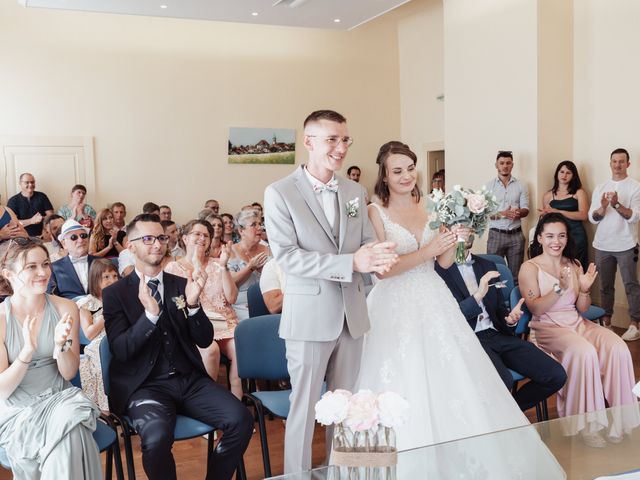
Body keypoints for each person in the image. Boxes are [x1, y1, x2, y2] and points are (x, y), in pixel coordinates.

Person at [356, 140, 528, 452]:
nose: (407, 176)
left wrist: (455, 239)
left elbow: (444, 262)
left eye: (410, 169)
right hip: (393, 304)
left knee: (451, 377)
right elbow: (383, 271)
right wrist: (429, 251)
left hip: (433, 297)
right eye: (398, 171)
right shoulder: (374, 212)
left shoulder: (431, 205)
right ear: (384, 175)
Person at [264, 110, 398, 474]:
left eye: (345, 140)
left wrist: (379, 258)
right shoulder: (280, 192)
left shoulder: (355, 191)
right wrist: (351, 263)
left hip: (352, 315)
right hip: (309, 318)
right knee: (304, 410)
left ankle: (341, 473)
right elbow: (288, 257)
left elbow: (366, 243)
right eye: (332, 140)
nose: (341, 148)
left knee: (349, 409)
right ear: (309, 142)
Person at [103, 214, 252, 480]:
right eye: (147, 239)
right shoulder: (116, 294)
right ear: (130, 246)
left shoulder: (181, 285)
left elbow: (205, 339)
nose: (157, 245)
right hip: (145, 386)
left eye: (161, 238)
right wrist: (148, 317)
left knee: (241, 420)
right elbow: (121, 350)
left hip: (189, 379)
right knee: (157, 439)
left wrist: (194, 305)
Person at [519, 213, 640, 445]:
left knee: (617, 347)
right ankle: (587, 425)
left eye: (561, 236)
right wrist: (558, 289)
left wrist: (584, 290)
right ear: (540, 239)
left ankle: (621, 420)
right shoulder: (529, 268)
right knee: (583, 352)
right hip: (547, 327)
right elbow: (535, 307)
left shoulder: (574, 264)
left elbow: (582, 309)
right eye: (551, 236)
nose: (557, 241)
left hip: (577, 322)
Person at [0, 237, 102, 479]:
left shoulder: (65, 308)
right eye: (31, 266)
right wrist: (27, 351)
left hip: (60, 396)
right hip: (18, 410)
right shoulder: (1, 320)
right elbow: (2, 391)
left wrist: (61, 345)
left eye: (45, 264)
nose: (43, 272)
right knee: (71, 431)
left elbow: (68, 373)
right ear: (9, 274)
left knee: (69, 421)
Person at [435, 236, 566, 412]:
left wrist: (510, 319)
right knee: (502, 381)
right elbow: (447, 319)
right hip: (468, 339)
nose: (466, 232)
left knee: (555, 375)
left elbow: (498, 308)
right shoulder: (437, 271)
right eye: (460, 226)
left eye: (470, 225)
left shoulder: (486, 265)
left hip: (497, 334)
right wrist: (478, 295)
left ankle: (511, 413)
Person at [165, 220, 241, 397]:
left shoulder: (217, 264)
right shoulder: (173, 268)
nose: (202, 238)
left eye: (206, 235)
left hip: (225, 325)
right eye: (196, 234)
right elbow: (174, 305)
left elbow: (232, 298)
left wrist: (223, 266)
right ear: (184, 238)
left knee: (241, 348)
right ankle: (206, 398)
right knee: (210, 349)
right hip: (194, 326)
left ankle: (237, 402)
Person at [588, 147, 640, 339]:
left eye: (621, 161)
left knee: (631, 284)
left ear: (628, 164)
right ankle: (606, 322)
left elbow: (634, 217)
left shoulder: (635, 187)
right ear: (610, 163)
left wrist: (616, 204)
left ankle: (635, 324)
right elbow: (593, 217)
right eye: (614, 161)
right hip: (602, 244)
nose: (618, 165)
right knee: (605, 285)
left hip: (626, 244)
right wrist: (602, 207)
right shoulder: (600, 187)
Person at [77, 258, 119, 411]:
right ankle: (105, 408)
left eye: (115, 276)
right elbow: (89, 334)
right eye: (106, 277)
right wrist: (106, 313)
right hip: (98, 344)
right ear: (95, 279)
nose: (112, 280)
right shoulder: (88, 303)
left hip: (120, 339)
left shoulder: (123, 297)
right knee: (100, 356)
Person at [485, 151, 529, 279]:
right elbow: (484, 214)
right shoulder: (488, 187)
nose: (505, 166)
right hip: (495, 235)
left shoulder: (521, 185)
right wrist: (502, 214)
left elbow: (526, 209)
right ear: (496, 165)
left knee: (515, 276)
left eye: (508, 163)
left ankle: (513, 299)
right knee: (492, 273)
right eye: (502, 163)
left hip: (516, 236)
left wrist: (518, 213)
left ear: (512, 165)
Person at [540, 161, 589, 270]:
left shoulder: (579, 192)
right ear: (557, 174)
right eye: (561, 172)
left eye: (568, 173)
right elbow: (546, 219)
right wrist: (544, 216)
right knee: (558, 269)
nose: (564, 175)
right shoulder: (548, 195)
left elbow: (584, 215)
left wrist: (559, 211)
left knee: (577, 269)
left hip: (576, 236)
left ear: (573, 175)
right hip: (557, 238)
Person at [227, 209, 270, 320]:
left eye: (260, 224)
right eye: (253, 225)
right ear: (241, 231)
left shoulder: (269, 250)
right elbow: (230, 281)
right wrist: (250, 267)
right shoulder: (231, 251)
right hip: (240, 308)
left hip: (268, 303)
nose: (259, 228)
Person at [48, 219, 97, 299]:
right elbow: (51, 298)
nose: (80, 240)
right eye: (74, 237)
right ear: (64, 244)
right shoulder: (54, 268)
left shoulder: (101, 262)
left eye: (83, 236)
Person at [6, 173, 54, 237]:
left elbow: (51, 216)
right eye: (27, 182)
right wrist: (31, 221)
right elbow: (12, 223)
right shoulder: (13, 201)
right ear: (20, 183)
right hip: (22, 238)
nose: (30, 184)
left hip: (44, 236)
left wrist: (41, 218)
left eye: (32, 182)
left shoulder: (42, 196)